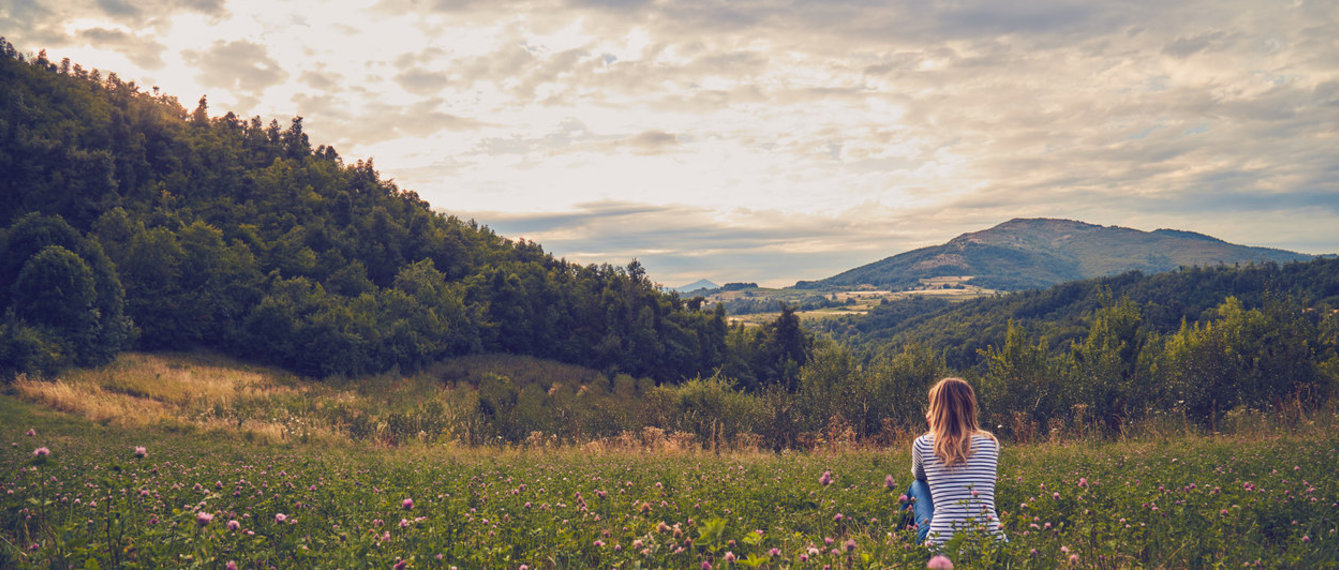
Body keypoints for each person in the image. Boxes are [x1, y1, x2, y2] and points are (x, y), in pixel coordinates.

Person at [903, 377, 1006, 545]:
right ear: (969, 406)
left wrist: (933, 431)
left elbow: (919, 476)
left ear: (935, 409)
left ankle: (898, 538)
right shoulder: (991, 442)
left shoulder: (923, 443)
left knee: (916, 486)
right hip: (993, 544)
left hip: (940, 545)